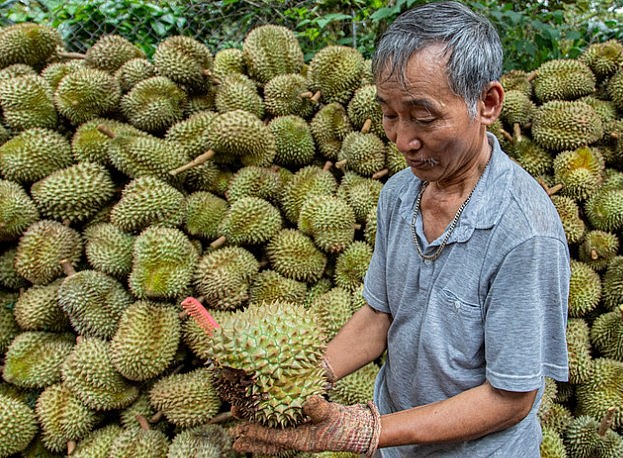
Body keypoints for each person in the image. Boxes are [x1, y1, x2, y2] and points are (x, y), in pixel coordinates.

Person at [231, 2, 570, 456]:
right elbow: (380, 315)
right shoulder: (399, 194)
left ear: (487, 104)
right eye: (390, 114)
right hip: (398, 442)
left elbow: (511, 397)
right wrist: (298, 383)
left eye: (423, 117)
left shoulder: (526, 233)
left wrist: (370, 430)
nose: (403, 140)